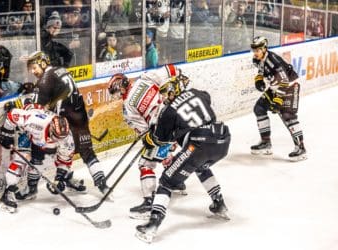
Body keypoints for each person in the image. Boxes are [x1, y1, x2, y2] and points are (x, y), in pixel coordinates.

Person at [135, 75, 231, 243]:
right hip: (222, 138)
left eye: (166, 93)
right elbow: (206, 97)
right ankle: (219, 204)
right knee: (201, 167)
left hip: (199, 144)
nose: (164, 97)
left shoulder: (169, 111)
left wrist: (149, 136)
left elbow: (159, 140)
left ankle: (152, 225)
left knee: (166, 182)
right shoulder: (197, 93)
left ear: (174, 90)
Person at [24, 51, 111, 196]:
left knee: (39, 148)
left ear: (43, 63)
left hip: (63, 122)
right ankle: (102, 184)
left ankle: (32, 188)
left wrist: (27, 99)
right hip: (79, 117)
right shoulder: (61, 70)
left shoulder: (45, 80)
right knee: (86, 151)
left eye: (34, 67)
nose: (33, 71)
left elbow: (35, 107)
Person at [107, 64, 187, 220]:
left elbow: (145, 133)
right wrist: (179, 76)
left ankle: (149, 201)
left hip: (164, 130)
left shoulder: (128, 108)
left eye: (114, 92)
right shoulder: (144, 78)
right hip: (179, 119)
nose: (114, 96)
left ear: (120, 89)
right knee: (164, 151)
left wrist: (148, 140)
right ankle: (176, 182)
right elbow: (170, 69)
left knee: (145, 163)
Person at [0, 100, 85, 213]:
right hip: (28, 129)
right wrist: (6, 132)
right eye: (57, 136)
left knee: (38, 161)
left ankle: (32, 189)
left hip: (40, 139)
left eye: (62, 137)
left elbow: (65, 160)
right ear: (52, 129)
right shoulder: (35, 121)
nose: (60, 140)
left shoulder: (67, 139)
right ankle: (8, 193)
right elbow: (12, 114)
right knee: (21, 159)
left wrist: (59, 179)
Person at [250, 36, 307, 161]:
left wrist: (277, 100)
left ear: (264, 49)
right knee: (259, 108)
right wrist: (259, 79)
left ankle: (301, 149)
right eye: (254, 50)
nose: (255, 53)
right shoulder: (258, 58)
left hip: (289, 87)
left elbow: (285, 81)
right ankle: (265, 142)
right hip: (276, 86)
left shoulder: (273, 61)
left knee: (287, 115)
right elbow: (261, 70)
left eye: (257, 50)